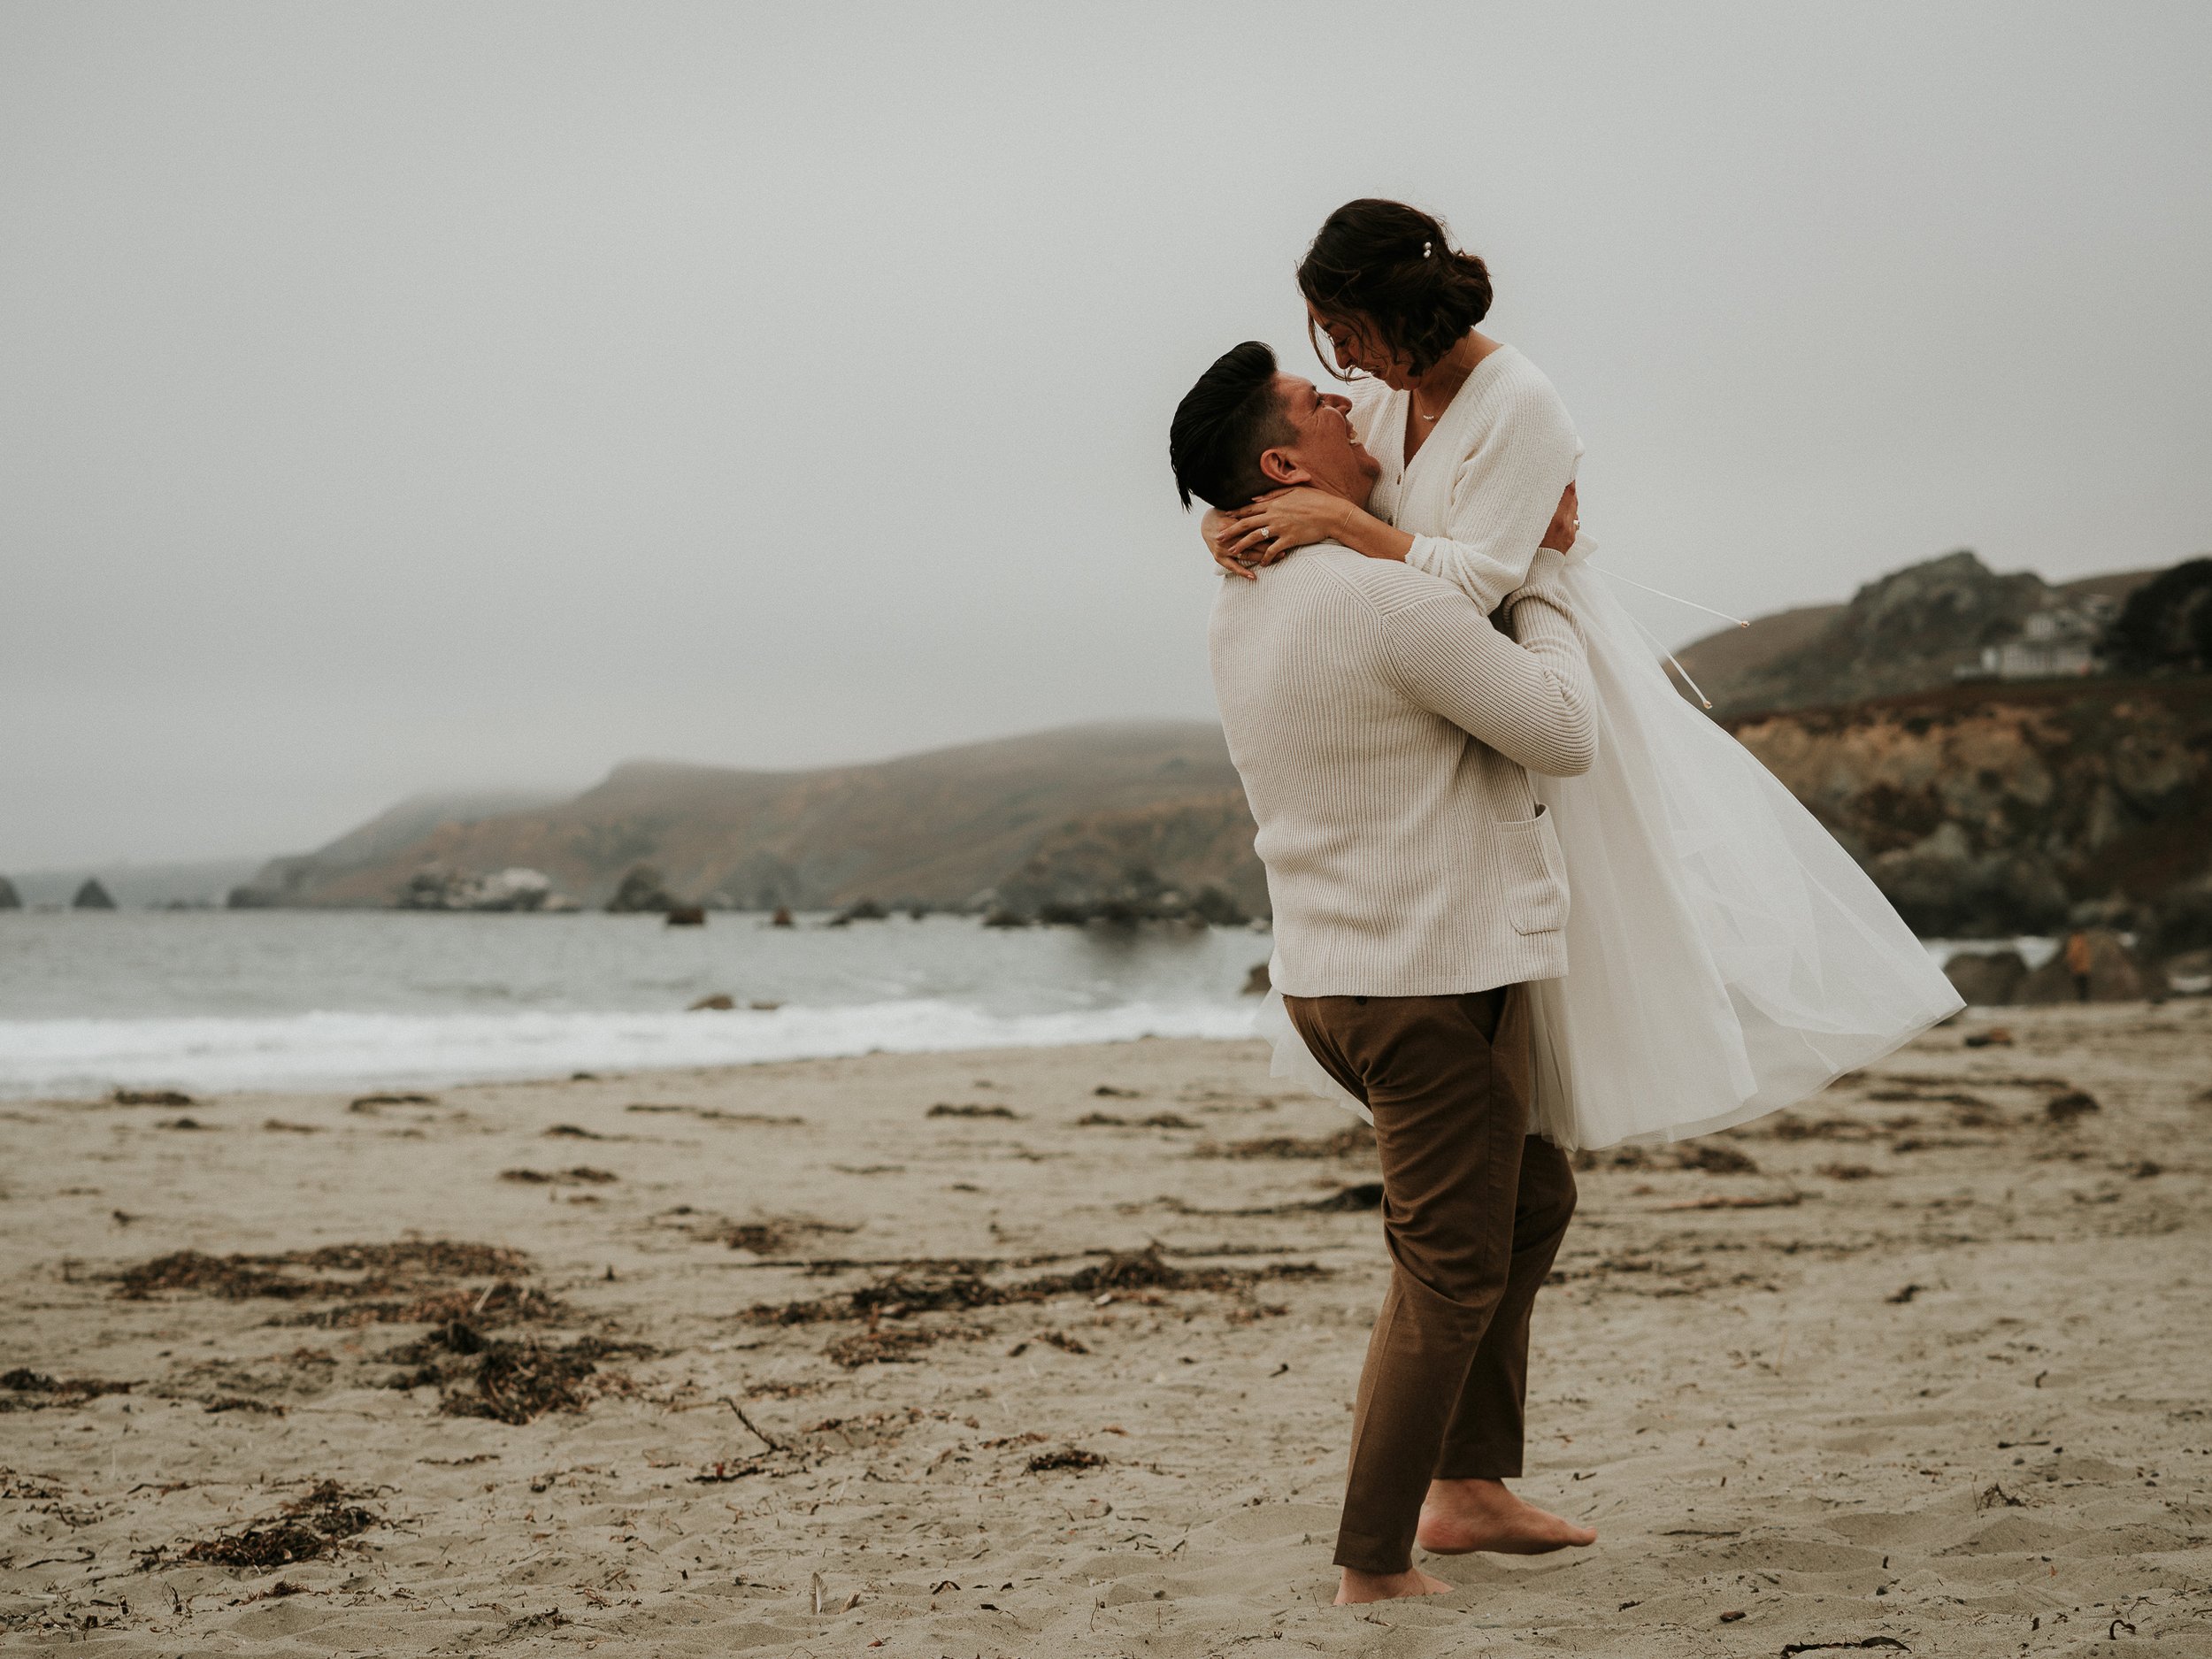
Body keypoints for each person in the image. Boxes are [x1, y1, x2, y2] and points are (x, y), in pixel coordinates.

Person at [1205, 199, 1963, 1151]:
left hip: (1527, 664)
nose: (1343, 365)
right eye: (1328, 339)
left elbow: (1483, 577)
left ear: (1401, 313)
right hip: (1438, 680)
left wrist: (1345, 526)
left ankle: (1497, 1158)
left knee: (1557, 980)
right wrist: (1230, 515)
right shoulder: (1391, 395)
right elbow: (1316, 477)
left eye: (1349, 334)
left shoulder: (1521, 404)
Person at [1171, 340, 1599, 1604]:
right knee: (1448, 1261)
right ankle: (1374, 1561)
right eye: (1317, 399)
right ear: (1281, 463)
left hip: (1337, 975)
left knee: (1529, 1196)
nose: (1349, 399)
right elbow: (1563, 733)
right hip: (1426, 979)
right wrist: (1551, 575)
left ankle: (1469, 1487)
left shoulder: (1244, 593)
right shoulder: (1385, 599)